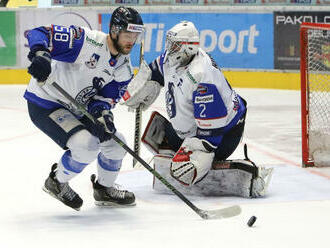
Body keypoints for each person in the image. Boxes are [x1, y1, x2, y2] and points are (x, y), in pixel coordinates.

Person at [123, 21, 273, 198]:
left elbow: (212, 133)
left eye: (175, 45)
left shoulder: (201, 77)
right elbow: (156, 70)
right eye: (170, 43)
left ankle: (240, 175)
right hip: (194, 130)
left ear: (188, 47)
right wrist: (142, 85)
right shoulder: (174, 58)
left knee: (186, 168)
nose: (170, 48)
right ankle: (186, 154)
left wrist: (196, 159)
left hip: (223, 135)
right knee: (155, 132)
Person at [24, 6, 144, 210]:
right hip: (46, 101)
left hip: (77, 107)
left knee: (117, 144)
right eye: (127, 34)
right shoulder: (86, 41)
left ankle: (104, 189)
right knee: (85, 146)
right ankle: (57, 182)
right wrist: (41, 55)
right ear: (114, 31)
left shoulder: (123, 66)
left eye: (136, 35)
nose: (131, 40)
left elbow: (105, 99)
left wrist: (102, 116)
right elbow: (39, 33)